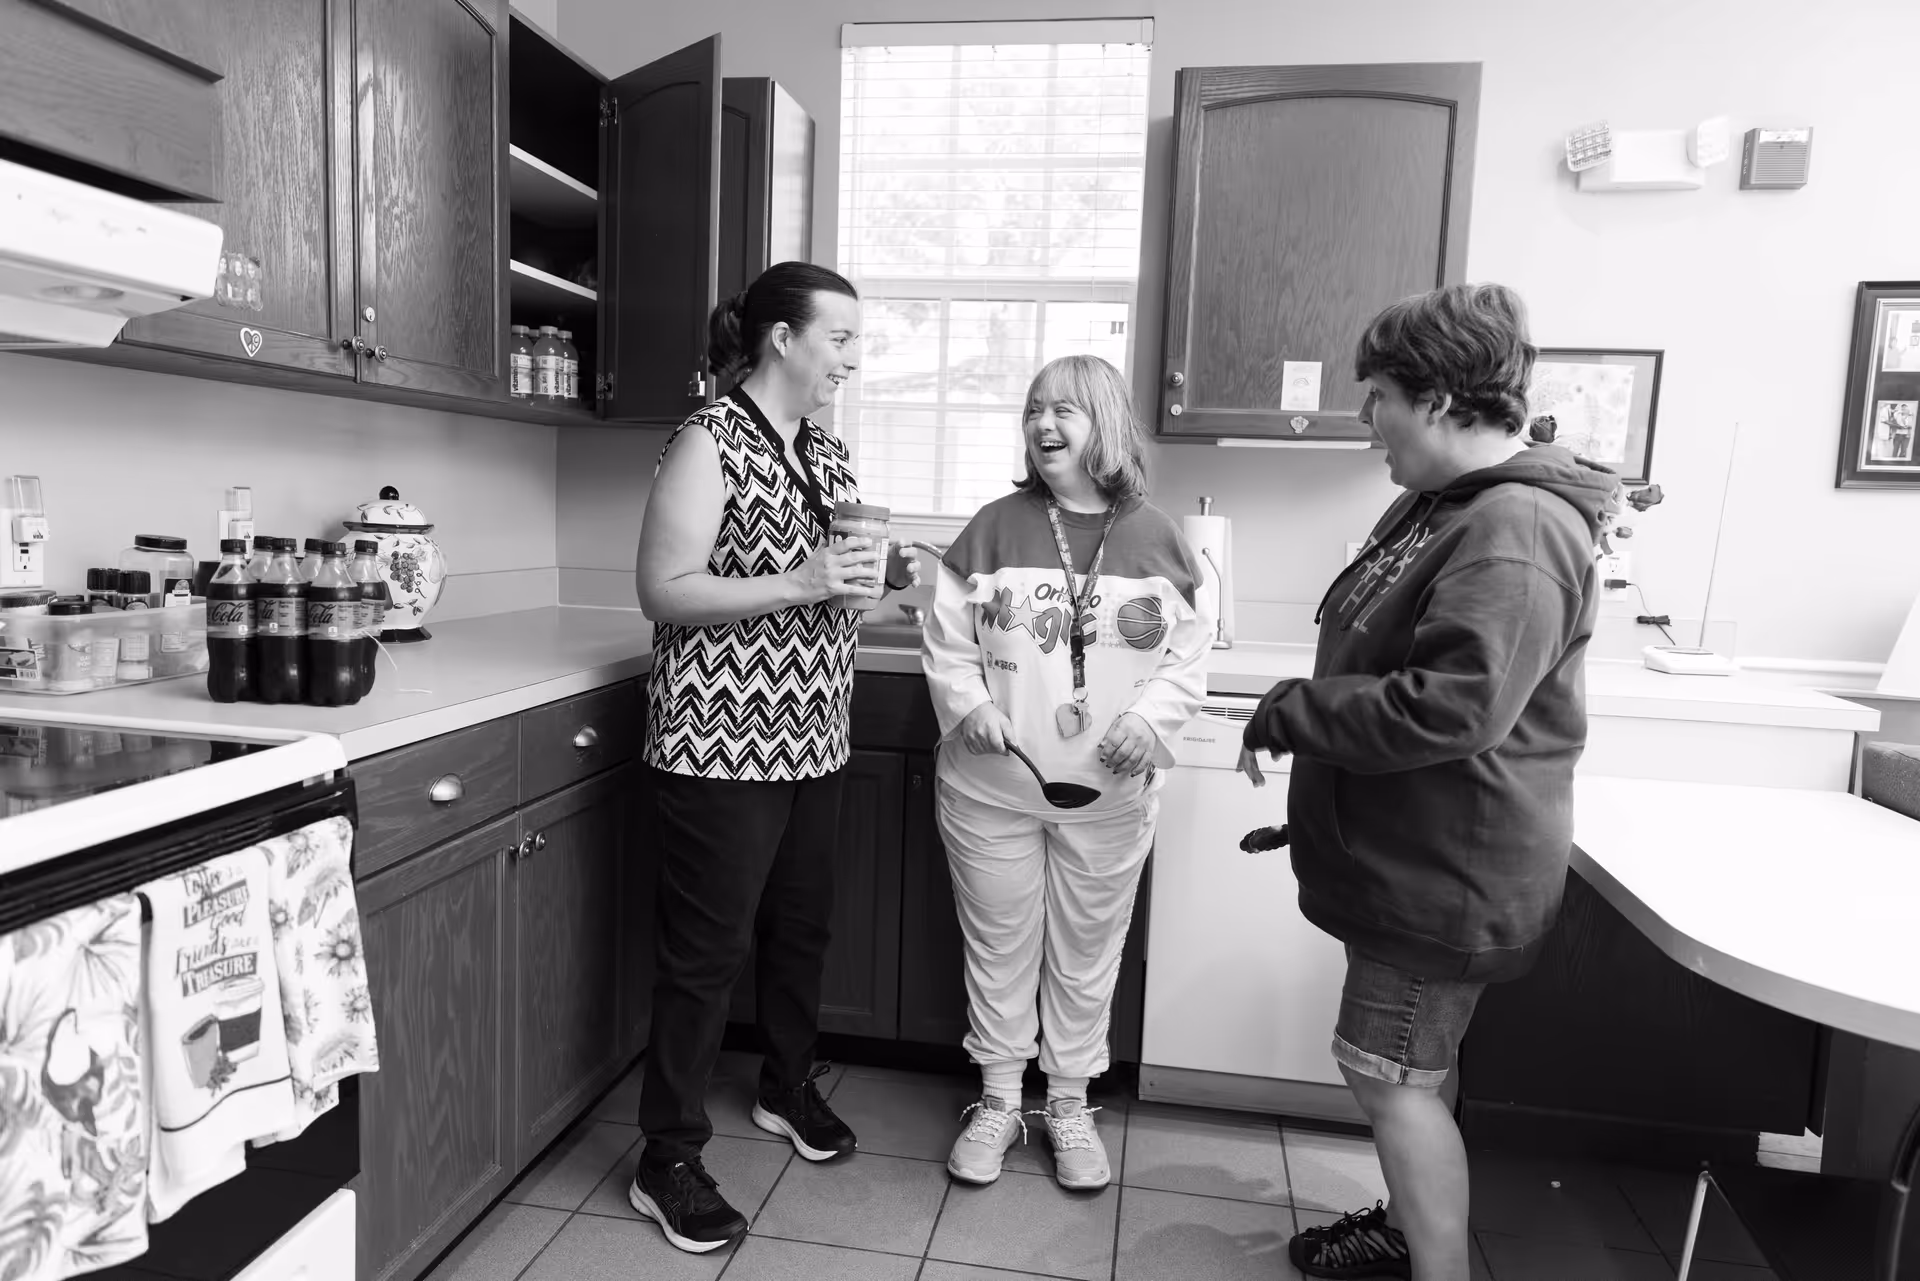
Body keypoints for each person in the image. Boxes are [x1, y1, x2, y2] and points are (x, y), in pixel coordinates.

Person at [1236, 284, 1614, 1281]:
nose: (1367, 420)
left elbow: (1452, 709)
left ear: (1439, 400)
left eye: (1380, 397)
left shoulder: (1517, 527)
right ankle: (1410, 1232)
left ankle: (1433, 1265)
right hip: (1410, 856)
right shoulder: (1442, 505)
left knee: (1390, 1076)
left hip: (1446, 877)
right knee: (1404, 1068)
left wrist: (1292, 711)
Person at [628, 261, 919, 1253]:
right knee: (704, 956)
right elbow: (664, 589)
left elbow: (836, 586)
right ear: (783, 339)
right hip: (719, 741)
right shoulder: (707, 440)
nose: (851, 359)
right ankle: (666, 1156)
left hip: (814, 734)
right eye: (840, 338)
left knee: (801, 930)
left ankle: (786, 1084)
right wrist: (802, 578)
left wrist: (879, 583)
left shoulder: (827, 453)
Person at [922, 354, 1211, 1191]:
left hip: (1111, 797)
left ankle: (1071, 1102)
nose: (1042, 424)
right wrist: (969, 703)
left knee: (1087, 953)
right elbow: (947, 643)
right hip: (990, 790)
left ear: (1106, 424)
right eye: (1033, 409)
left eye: (1064, 411)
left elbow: (1189, 659)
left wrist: (1148, 720)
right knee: (999, 946)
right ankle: (999, 1100)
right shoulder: (991, 527)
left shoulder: (1159, 537)